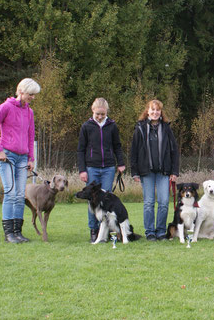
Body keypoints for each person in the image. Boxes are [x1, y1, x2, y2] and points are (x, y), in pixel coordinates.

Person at [0, 78, 41, 243]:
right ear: (22, 91)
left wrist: (31, 158)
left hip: (23, 158)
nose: (32, 97)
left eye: (34, 95)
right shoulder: (5, 107)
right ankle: (9, 233)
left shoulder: (29, 112)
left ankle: (18, 232)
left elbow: (30, 135)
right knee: (10, 194)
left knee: (19, 195)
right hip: (7, 157)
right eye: (31, 94)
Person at [77, 98, 125, 243]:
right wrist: (82, 170)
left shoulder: (112, 126)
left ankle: (107, 231)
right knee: (92, 201)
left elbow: (117, 146)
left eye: (102, 114)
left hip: (108, 168)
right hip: (92, 167)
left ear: (106, 113)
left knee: (106, 201)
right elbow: (81, 150)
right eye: (97, 114)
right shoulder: (86, 126)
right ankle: (94, 230)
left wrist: (121, 163)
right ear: (93, 111)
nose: (100, 116)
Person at [131, 99, 179, 241]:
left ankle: (160, 231)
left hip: (164, 172)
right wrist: (134, 172)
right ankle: (150, 232)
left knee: (164, 202)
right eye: (152, 110)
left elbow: (174, 151)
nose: (155, 112)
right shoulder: (139, 128)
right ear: (147, 111)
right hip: (146, 172)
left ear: (161, 112)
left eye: (158, 110)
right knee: (149, 203)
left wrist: (174, 172)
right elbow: (133, 152)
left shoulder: (166, 128)